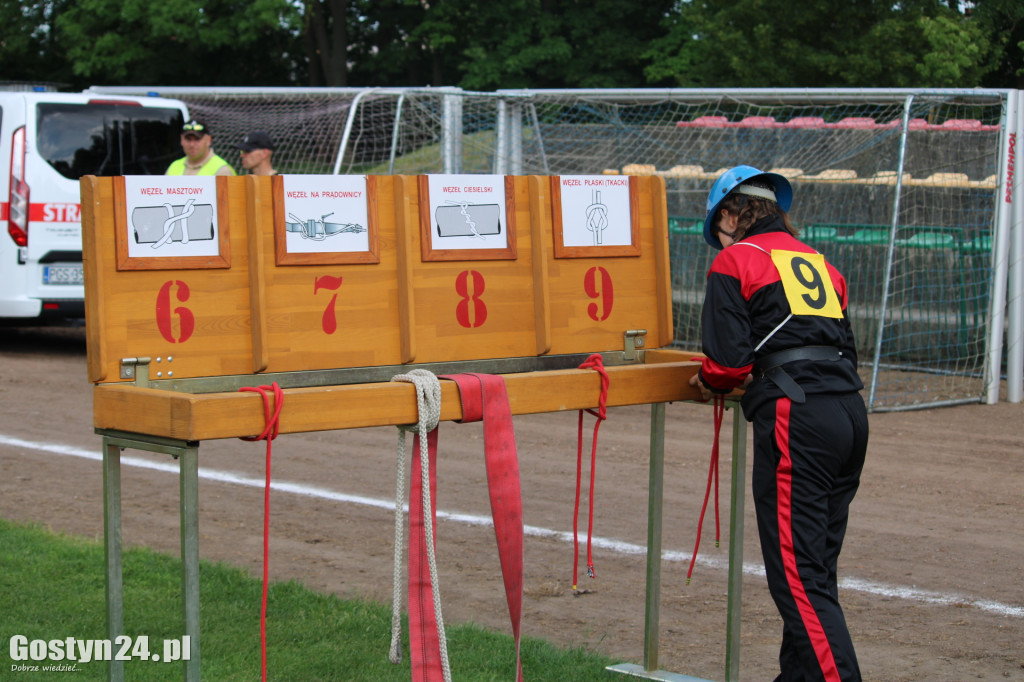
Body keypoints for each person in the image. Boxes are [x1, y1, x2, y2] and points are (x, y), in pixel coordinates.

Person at [688, 165, 869, 682]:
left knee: (797, 579)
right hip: (848, 413)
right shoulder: (822, 263)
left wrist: (713, 383)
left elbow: (726, 364)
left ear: (730, 212)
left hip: (798, 417)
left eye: (718, 223)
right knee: (815, 570)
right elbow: (844, 346)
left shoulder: (735, 260)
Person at [165, 118, 235, 176]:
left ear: (208, 140)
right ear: (181, 140)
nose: (192, 144)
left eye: (197, 139)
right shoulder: (174, 167)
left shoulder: (222, 170)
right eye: (188, 139)